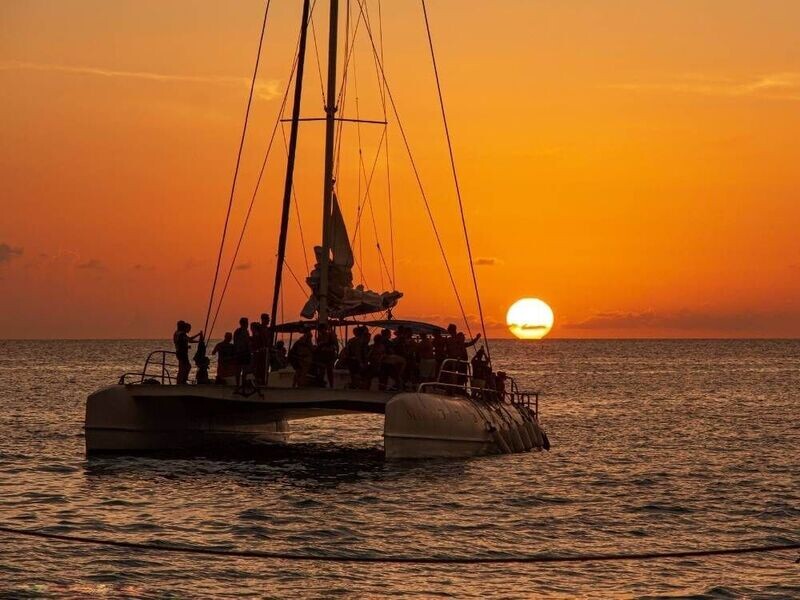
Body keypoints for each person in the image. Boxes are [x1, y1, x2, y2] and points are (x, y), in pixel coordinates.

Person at [315, 323, 339, 388]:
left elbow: (336, 345)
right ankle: (321, 385)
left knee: (329, 371)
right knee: (321, 371)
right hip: (322, 355)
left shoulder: (331, 335)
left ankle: (331, 386)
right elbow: (318, 347)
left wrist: (336, 354)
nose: (320, 331)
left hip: (330, 355)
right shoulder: (319, 337)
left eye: (320, 329)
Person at [233, 317, 251, 385]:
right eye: (246, 323)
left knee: (243, 370)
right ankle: (239, 384)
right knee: (241, 369)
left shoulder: (243, 331)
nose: (247, 324)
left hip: (242, 353)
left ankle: (241, 383)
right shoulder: (240, 331)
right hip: (242, 353)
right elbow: (245, 342)